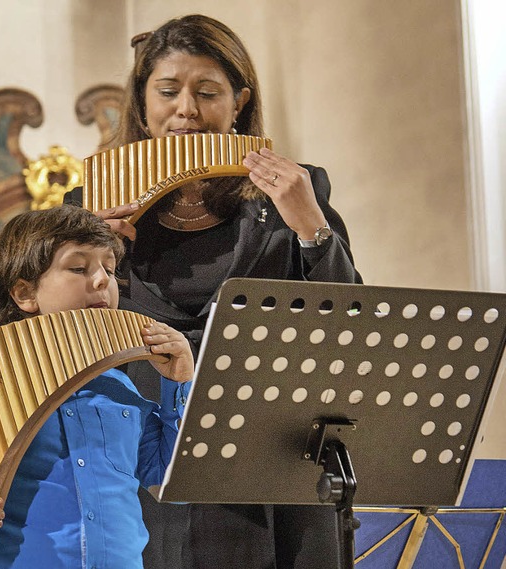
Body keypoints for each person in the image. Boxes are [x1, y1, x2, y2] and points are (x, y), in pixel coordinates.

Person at [65, 13, 363, 569]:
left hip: (272, 443)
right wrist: (95, 263)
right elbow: (53, 340)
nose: (187, 110)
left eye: (208, 92)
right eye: (168, 91)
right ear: (142, 102)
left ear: (240, 102)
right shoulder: (89, 206)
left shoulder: (295, 194)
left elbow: (348, 323)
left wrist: (310, 227)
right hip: (147, 451)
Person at [0, 205, 194, 568]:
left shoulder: (120, 387)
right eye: (78, 268)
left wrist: (181, 383)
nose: (101, 281)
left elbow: (173, 485)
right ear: (24, 294)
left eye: (109, 270)